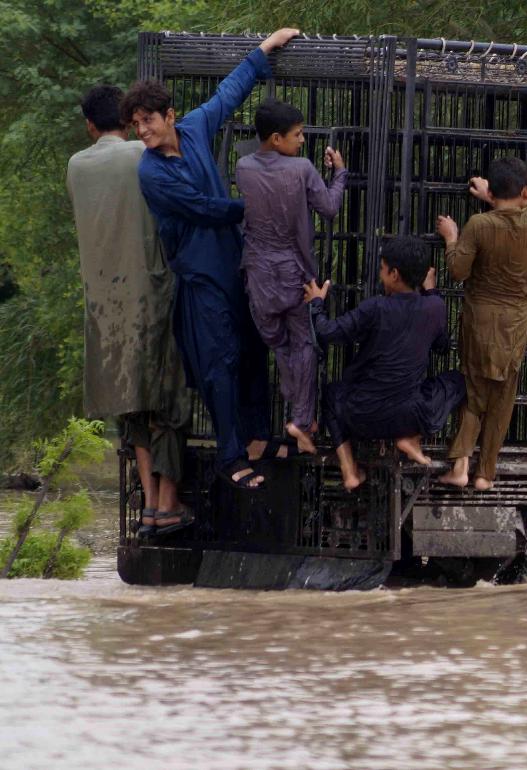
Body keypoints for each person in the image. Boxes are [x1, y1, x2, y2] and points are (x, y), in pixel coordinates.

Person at [121, 28, 301, 491]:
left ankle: (259, 437)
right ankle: (230, 454)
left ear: (169, 116)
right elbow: (204, 208)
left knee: (255, 345)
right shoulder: (150, 172)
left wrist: (262, 52)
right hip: (200, 277)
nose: (142, 131)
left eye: (148, 121)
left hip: (235, 263)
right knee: (218, 363)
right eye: (135, 125)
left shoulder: (196, 128)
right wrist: (260, 205)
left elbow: (227, 95)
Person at [67, 85, 193, 536]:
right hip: (152, 293)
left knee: (131, 406)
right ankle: (167, 502)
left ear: (89, 124)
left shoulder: (76, 165)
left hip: (104, 305)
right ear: (128, 119)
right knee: (168, 399)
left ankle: (147, 509)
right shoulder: (143, 155)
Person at [304, 236, 465, 491]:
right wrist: (432, 291)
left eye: (381, 268)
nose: (379, 274)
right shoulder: (434, 307)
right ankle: (411, 439)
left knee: (332, 394)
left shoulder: (375, 307)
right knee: (458, 381)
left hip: (362, 415)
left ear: (394, 274)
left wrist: (316, 303)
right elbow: (443, 347)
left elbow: (327, 332)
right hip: (410, 416)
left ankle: (349, 470)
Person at [235, 99, 347, 455]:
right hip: (295, 276)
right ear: (276, 138)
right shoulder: (301, 169)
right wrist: (340, 173)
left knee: (281, 346)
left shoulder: (242, 167)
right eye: (297, 135)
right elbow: (329, 208)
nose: (302, 140)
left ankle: (298, 416)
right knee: (304, 345)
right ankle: (301, 420)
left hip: (259, 279)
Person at [435, 158, 527, 491]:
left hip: (480, 320)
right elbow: (515, 212)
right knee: (503, 394)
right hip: (514, 324)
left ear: (493, 192)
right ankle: (485, 473)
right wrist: (493, 198)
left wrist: (451, 238)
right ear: (526, 192)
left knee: (475, 390)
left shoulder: (478, 225)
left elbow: (458, 271)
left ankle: (460, 466)